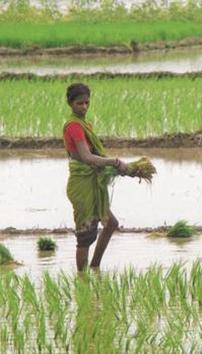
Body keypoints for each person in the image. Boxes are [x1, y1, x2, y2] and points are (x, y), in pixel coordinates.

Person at [63, 83, 129, 271]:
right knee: (85, 235)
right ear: (70, 103)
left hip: (91, 180)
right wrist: (115, 162)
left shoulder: (85, 124)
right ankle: (82, 279)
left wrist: (112, 164)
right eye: (79, 103)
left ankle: (95, 267)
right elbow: (86, 157)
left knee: (111, 224)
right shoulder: (74, 126)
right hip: (82, 184)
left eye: (86, 103)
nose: (84, 107)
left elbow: (92, 156)